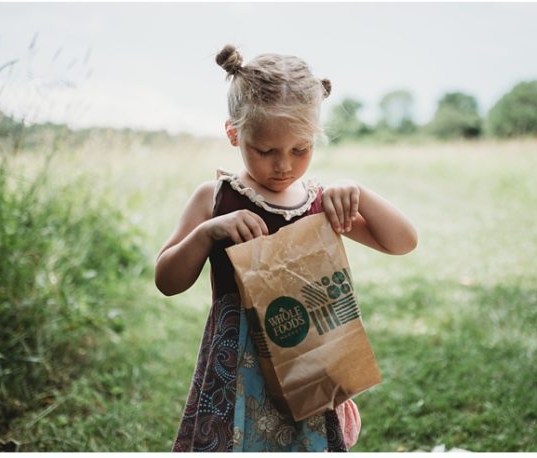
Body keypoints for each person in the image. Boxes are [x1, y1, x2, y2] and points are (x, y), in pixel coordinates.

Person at [155, 44, 418, 452]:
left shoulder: (320, 202)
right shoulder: (215, 198)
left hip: (308, 360)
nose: (284, 166)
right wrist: (208, 233)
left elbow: (403, 242)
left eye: (301, 149)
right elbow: (167, 280)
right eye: (266, 151)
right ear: (234, 134)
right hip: (238, 369)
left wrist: (359, 194)